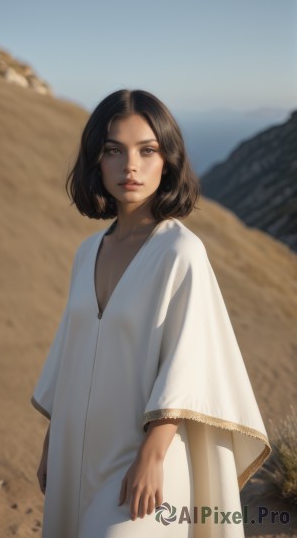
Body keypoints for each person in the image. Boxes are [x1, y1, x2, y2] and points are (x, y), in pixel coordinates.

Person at [31, 89, 271, 538]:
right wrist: (53, 444)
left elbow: (189, 360)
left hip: (141, 458)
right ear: (95, 162)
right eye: (113, 151)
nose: (130, 166)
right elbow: (71, 352)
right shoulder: (87, 252)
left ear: (168, 160)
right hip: (76, 455)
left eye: (147, 150)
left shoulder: (181, 252)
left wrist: (153, 455)